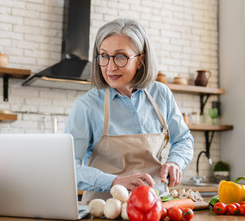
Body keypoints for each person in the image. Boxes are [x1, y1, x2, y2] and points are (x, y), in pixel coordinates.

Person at [65, 18, 194, 201]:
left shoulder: (161, 94)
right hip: (104, 209)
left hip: (155, 205)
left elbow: (183, 139)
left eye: (120, 56)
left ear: (141, 60)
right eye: (104, 56)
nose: (110, 67)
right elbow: (69, 167)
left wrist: (175, 162)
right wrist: (114, 181)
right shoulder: (86, 105)